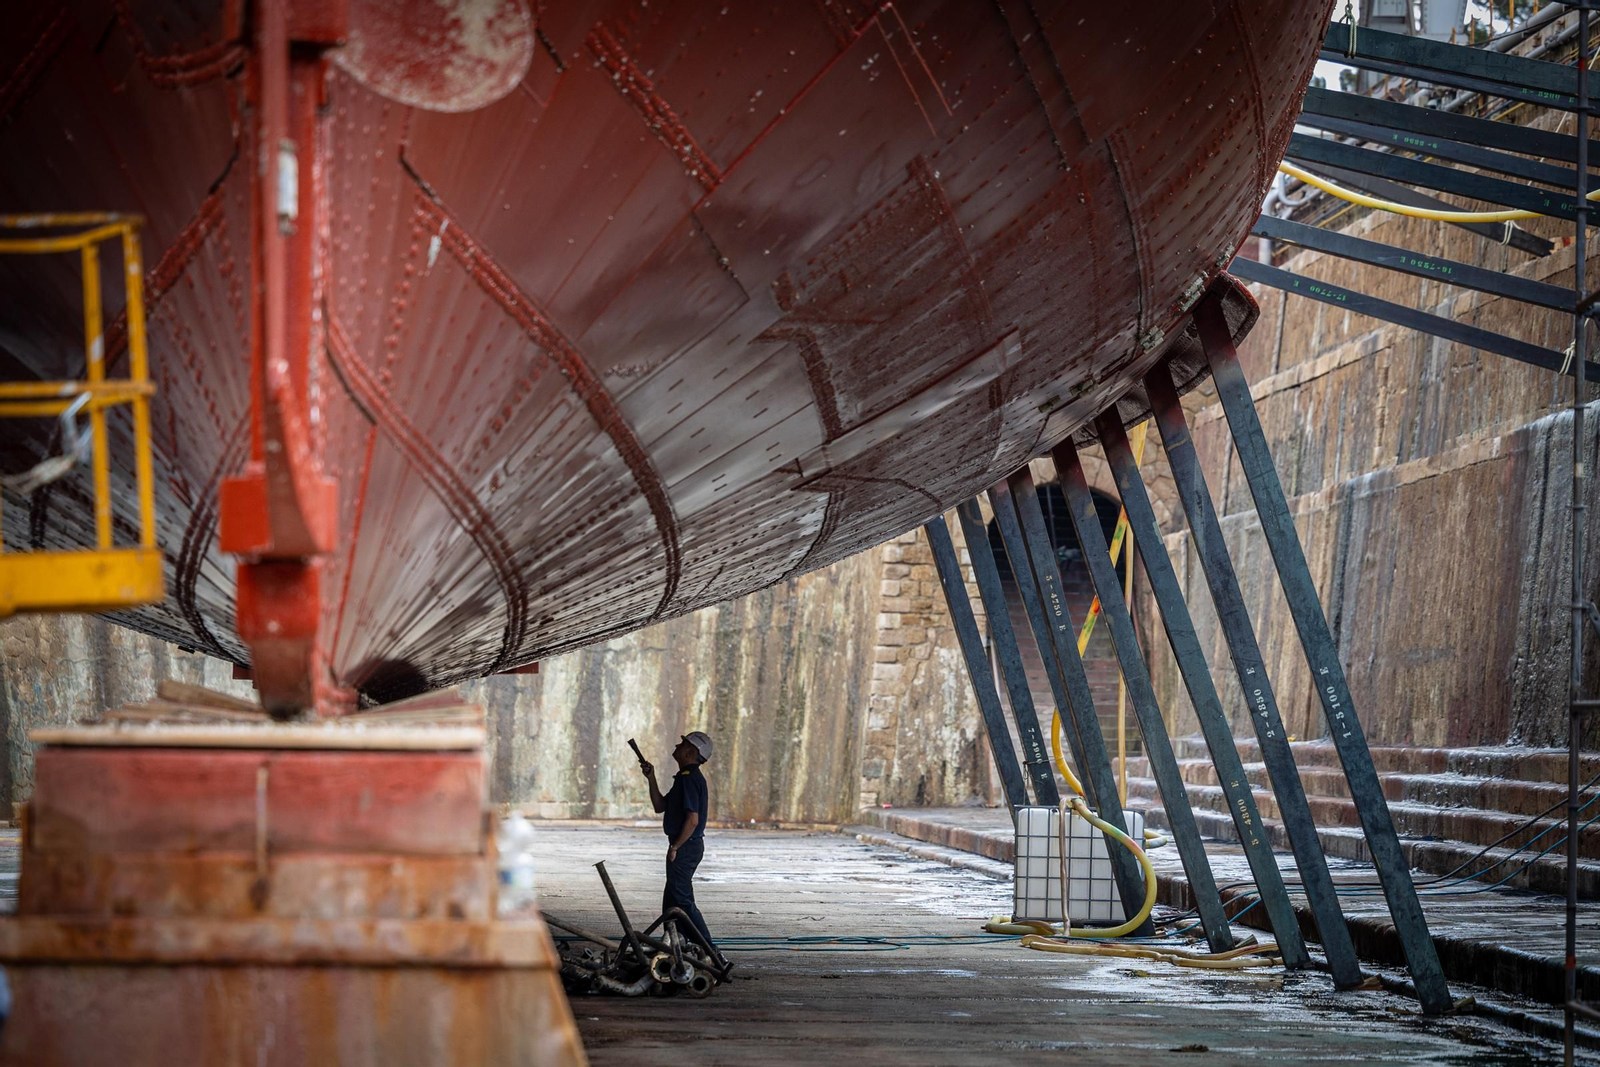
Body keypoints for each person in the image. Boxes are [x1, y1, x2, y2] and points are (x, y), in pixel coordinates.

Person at [637, 731, 715, 951]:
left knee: (683, 903)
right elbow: (660, 805)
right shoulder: (684, 779)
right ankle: (674, 945)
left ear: (691, 752)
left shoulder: (690, 779)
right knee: (671, 902)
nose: (678, 745)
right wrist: (651, 778)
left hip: (685, 846)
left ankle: (712, 952)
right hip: (684, 846)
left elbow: (692, 820)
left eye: (683, 743)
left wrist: (676, 847)